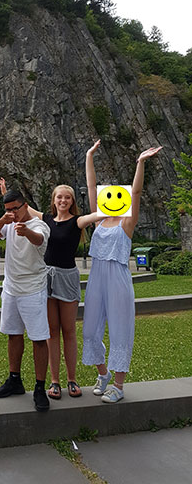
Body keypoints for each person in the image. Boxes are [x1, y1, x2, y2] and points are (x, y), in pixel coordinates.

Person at [0, 178, 98, 400]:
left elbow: (94, 216)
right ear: (54, 200)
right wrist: (5, 192)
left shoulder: (77, 221)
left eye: (68, 197)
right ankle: (54, 381)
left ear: (72, 201)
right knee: (51, 331)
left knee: (68, 331)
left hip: (67, 278)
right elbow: (20, 208)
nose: (63, 200)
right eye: (59, 197)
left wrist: (115, 207)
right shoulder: (47, 219)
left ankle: (72, 379)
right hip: (47, 277)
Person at [83, 140, 162, 402]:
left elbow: (137, 192)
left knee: (120, 329)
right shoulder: (98, 221)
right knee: (90, 330)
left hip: (117, 278)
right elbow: (91, 186)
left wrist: (140, 162)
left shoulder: (127, 223)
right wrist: (89, 156)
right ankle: (103, 374)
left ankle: (118, 385)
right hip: (97, 277)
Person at [0, 190, 52, 412]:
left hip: (33, 289)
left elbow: (39, 240)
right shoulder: (8, 224)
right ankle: (14, 379)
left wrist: (26, 232)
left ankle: (40, 387)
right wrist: (2, 219)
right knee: (13, 334)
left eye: (14, 209)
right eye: (8, 210)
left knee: (38, 338)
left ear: (25, 206)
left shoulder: (38, 225)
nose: (12, 213)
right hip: (11, 288)